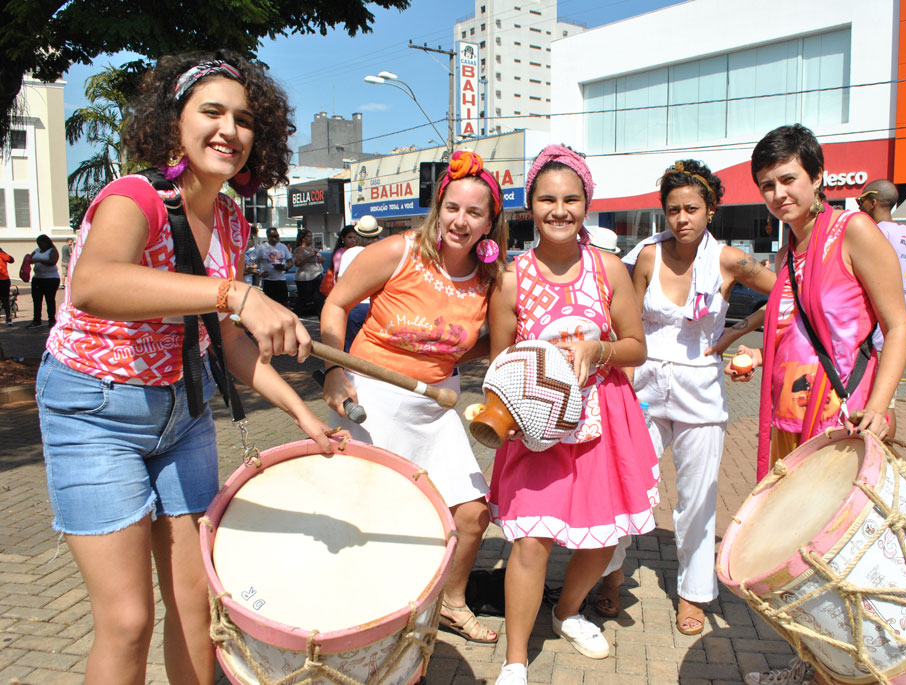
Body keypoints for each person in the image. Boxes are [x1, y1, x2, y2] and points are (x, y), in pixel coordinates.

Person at [36, 52, 339, 685]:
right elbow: (92, 284)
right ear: (175, 123)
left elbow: (228, 346)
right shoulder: (134, 197)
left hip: (183, 414)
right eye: (212, 111)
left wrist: (304, 416)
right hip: (94, 412)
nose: (230, 129)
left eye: (245, 119)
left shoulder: (230, 217)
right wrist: (234, 294)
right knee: (126, 621)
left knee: (197, 605)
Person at [730, 125, 906, 685]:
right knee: (803, 560)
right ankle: (816, 668)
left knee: (845, 559)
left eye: (788, 179)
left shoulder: (853, 231)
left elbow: (897, 325)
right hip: (792, 422)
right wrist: (760, 359)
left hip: (842, 423)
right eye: (767, 184)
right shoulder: (792, 246)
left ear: (817, 177)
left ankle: (856, 669)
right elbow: (802, 332)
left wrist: (878, 409)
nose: (779, 193)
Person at [488, 145, 659, 685]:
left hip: (604, 417)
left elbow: (636, 346)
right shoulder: (512, 279)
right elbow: (499, 362)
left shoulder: (608, 268)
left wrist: (600, 352)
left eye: (571, 199)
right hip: (538, 427)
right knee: (531, 541)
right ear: (530, 206)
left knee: (603, 536)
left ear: (586, 205)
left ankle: (567, 613)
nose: (559, 210)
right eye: (547, 199)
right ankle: (516, 660)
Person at [321, 150, 508, 645]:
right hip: (374, 398)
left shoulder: (490, 280)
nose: (460, 221)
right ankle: (361, 612)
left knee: (472, 514)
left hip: (437, 406)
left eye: (474, 212)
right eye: (452, 207)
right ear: (437, 208)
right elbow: (336, 303)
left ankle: (451, 604)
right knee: (371, 514)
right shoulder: (397, 251)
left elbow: (491, 343)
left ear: (490, 221)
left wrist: (466, 361)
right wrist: (335, 368)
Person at [615, 160, 777, 635]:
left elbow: (788, 295)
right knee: (626, 484)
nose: (682, 219)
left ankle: (693, 593)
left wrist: (739, 333)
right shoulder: (646, 254)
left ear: (710, 210)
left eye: (691, 208)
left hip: (700, 392)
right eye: (672, 210)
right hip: (642, 387)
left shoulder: (729, 260)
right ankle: (609, 575)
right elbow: (622, 315)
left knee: (698, 500)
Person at [858, 180, 906, 439]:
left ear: (873, 201)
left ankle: (878, 457)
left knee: (875, 403)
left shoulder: (874, 234)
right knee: (888, 400)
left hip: (878, 332)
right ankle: (886, 452)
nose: (860, 206)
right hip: (905, 331)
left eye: (861, 201)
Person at [333, 214, 382, 351]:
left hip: (354, 306)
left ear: (358, 234)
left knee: (352, 349)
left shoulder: (349, 253)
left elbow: (340, 282)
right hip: (376, 307)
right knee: (374, 348)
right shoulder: (382, 252)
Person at [27, 234, 60, 328]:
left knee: (50, 299)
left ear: (47, 242)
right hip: (37, 278)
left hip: (51, 278)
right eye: (38, 244)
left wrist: (39, 260)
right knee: (36, 300)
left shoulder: (52, 250)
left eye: (41, 243)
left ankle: (52, 320)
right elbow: (30, 259)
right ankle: (37, 320)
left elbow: (53, 261)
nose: (40, 245)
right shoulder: (37, 251)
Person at [256, 226, 291, 305]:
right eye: (274, 236)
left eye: (278, 235)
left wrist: (285, 267)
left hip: (281, 280)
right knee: (270, 304)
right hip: (268, 280)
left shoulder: (283, 247)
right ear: (269, 237)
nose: (277, 238)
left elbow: (290, 262)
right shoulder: (262, 248)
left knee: (284, 303)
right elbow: (251, 261)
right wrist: (259, 272)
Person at [291, 228, 323, 315]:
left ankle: (321, 319)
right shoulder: (299, 250)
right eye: (308, 236)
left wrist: (320, 258)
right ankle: (295, 315)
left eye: (311, 236)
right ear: (303, 238)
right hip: (306, 279)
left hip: (317, 275)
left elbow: (322, 260)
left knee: (319, 300)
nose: (311, 238)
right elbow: (298, 263)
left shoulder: (314, 249)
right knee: (303, 300)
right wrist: (309, 256)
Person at [0, 245, 13, 325]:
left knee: (5, 299)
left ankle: (8, 318)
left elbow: (11, 260)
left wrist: (3, 252)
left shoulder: (1, 254)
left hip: (3, 280)